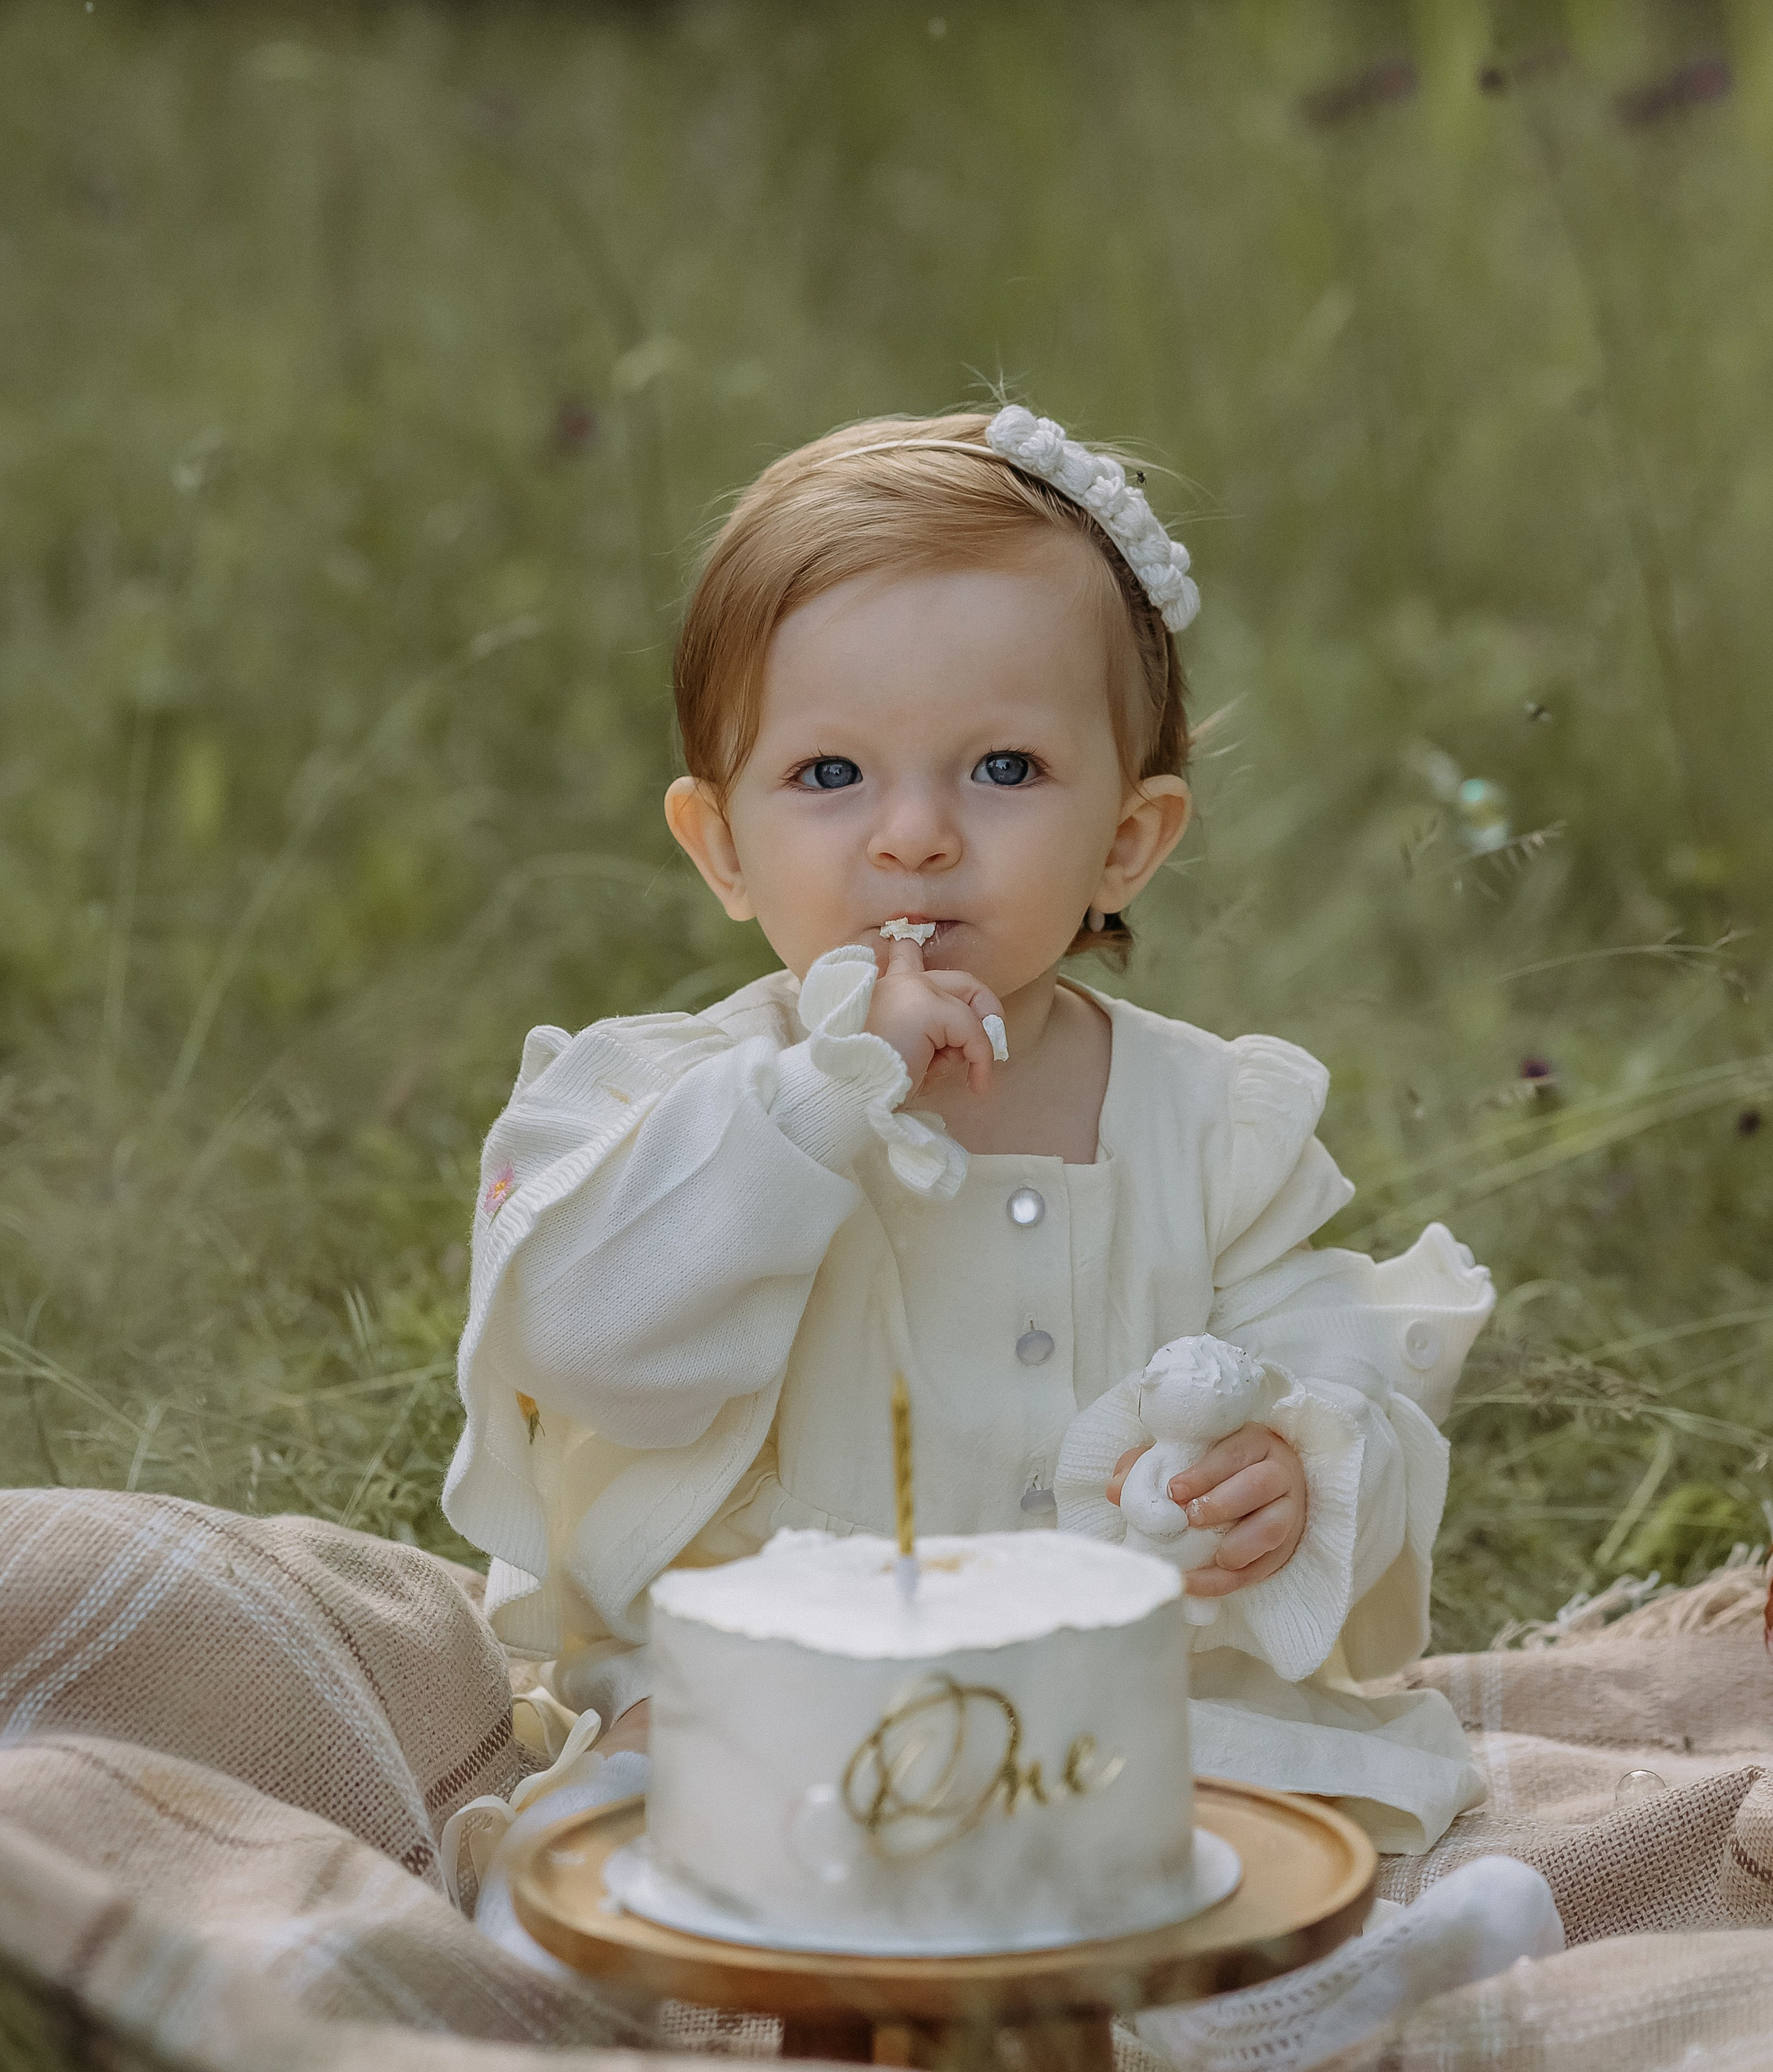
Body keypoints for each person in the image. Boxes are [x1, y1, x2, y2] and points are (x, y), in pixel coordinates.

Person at [443, 404, 1498, 1857]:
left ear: (1125, 841)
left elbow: (1329, 1345)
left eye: (1002, 768)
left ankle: (1330, 1978)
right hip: (778, 1680)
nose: (915, 835)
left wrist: (1288, 1461)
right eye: (830, 775)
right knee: (637, 1822)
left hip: (1121, 1702)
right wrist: (824, 1095)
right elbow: (576, 1336)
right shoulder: (671, 1101)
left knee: (1278, 1816)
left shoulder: (1205, 1122)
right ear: (723, 847)